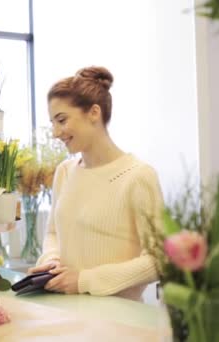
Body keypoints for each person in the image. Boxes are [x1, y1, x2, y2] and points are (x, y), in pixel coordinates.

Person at [28, 66, 164, 301]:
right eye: (52, 123)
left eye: (61, 120)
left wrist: (84, 281)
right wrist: (52, 261)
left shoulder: (139, 176)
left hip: (121, 323)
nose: (55, 132)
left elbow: (159, 259)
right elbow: (53, 233)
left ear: (93, 113)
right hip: (69, 314)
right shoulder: (65, 172)